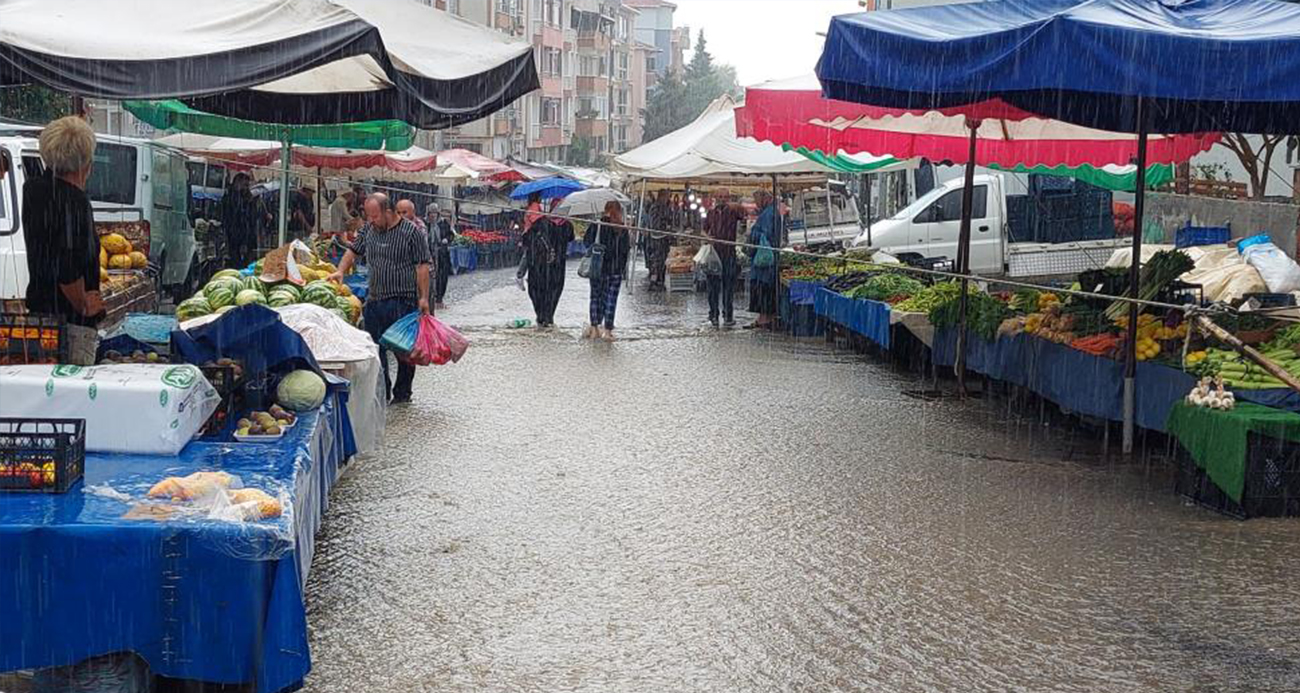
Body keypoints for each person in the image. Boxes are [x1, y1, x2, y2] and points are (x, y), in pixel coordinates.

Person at [329, 193, 431, 404]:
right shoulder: (368, 230)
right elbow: (352, 251)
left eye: (375, 216)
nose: (371, 220)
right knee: (376, 349)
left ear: (388, 211)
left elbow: (422, 266)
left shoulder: (411, 232)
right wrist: (340, 271)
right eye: (369, 216)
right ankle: (382, 392)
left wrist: (424, 298)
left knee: (404, 352)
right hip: (375, 299)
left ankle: (402, 394)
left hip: (403, 300)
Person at [22, 116, 104, 365]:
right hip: (70, 324)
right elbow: (67, 268)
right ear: (86, 163)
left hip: (39, 317)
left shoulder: (33, 190)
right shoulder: (75, 202)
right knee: (71, 394)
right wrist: (84, 305)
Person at [516, 199, 575, 328]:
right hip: (558, 265)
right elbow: (571, 238)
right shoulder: (567, 225)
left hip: (539, 264)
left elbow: (526, 240)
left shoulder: (541, 223)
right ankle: (548, 317)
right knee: (553, 291)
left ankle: (541, 316)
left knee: (537, 290)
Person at [583, 200, 631, 341]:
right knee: (611, 300)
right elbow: (625, 250)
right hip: (615, 269)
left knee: (595, 297)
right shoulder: (622, 228)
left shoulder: (597, 225)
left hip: (598, 267)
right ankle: (608, 330)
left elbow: (586, 242)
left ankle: (594, 328)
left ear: (605, 210)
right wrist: (622, 269)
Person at [705, 191, 743, 328]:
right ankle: (713, 315)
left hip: (729, 253)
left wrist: (736, 205)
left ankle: (728, 315)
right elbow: (704, 229)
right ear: (716, 198)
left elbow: (743, 214)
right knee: (713, 287)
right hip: (714, 253)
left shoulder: (733, 212)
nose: (722, 199)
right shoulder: (711, 213)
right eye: (720, 196)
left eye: (725, 197)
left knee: (728, 286)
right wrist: (708, 237)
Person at [747, 190, 784, 329]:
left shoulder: (768, 213)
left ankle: (765, 319)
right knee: (766, 288)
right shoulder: (771, 212)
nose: (756, 202)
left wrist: (753, 233)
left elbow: (765, 234)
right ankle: (766, 317)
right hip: (768, 258)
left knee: (763, 288)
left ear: (765, 198)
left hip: (764, 259)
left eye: (757, 199)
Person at [219, 173, 268, 270]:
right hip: (235, 234)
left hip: (246, 234)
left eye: (247, 185)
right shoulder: (231, 197)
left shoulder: (247, 197)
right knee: (236, 258)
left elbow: (251, 217)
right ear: (237, 183)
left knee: (246, 259)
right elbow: (233, 217)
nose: (246, 188)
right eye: (245, 185)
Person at [646, 190, 672, 291]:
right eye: (667, 197)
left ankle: (659, 280)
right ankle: (654, 281)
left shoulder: (662, 206)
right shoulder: (657, 207)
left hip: (662, 236)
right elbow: (655, 224)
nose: (668, 199)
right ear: (662, 196)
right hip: (657, 237)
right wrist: (665, 227)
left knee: (661, 260)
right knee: (657, 260)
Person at [429, 206, 455, 310]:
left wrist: (446, 240)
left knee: (442, 276)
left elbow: (451, 235)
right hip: (429, 253)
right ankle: (432, 299)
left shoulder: (443, 224)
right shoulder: (425, 224)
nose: (433, 215)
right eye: (431, 213)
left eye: (435, 213)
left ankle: (439, 299)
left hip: (441, 254)